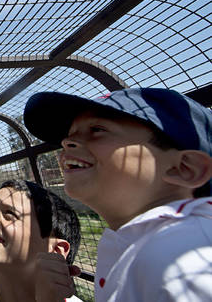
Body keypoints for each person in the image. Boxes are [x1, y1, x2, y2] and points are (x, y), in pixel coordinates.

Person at [23, 88, 212, 301]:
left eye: (97, 129)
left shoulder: (182, 257)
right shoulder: (142, 248)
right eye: (69, 135)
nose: (67, 142)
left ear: (184, 169)